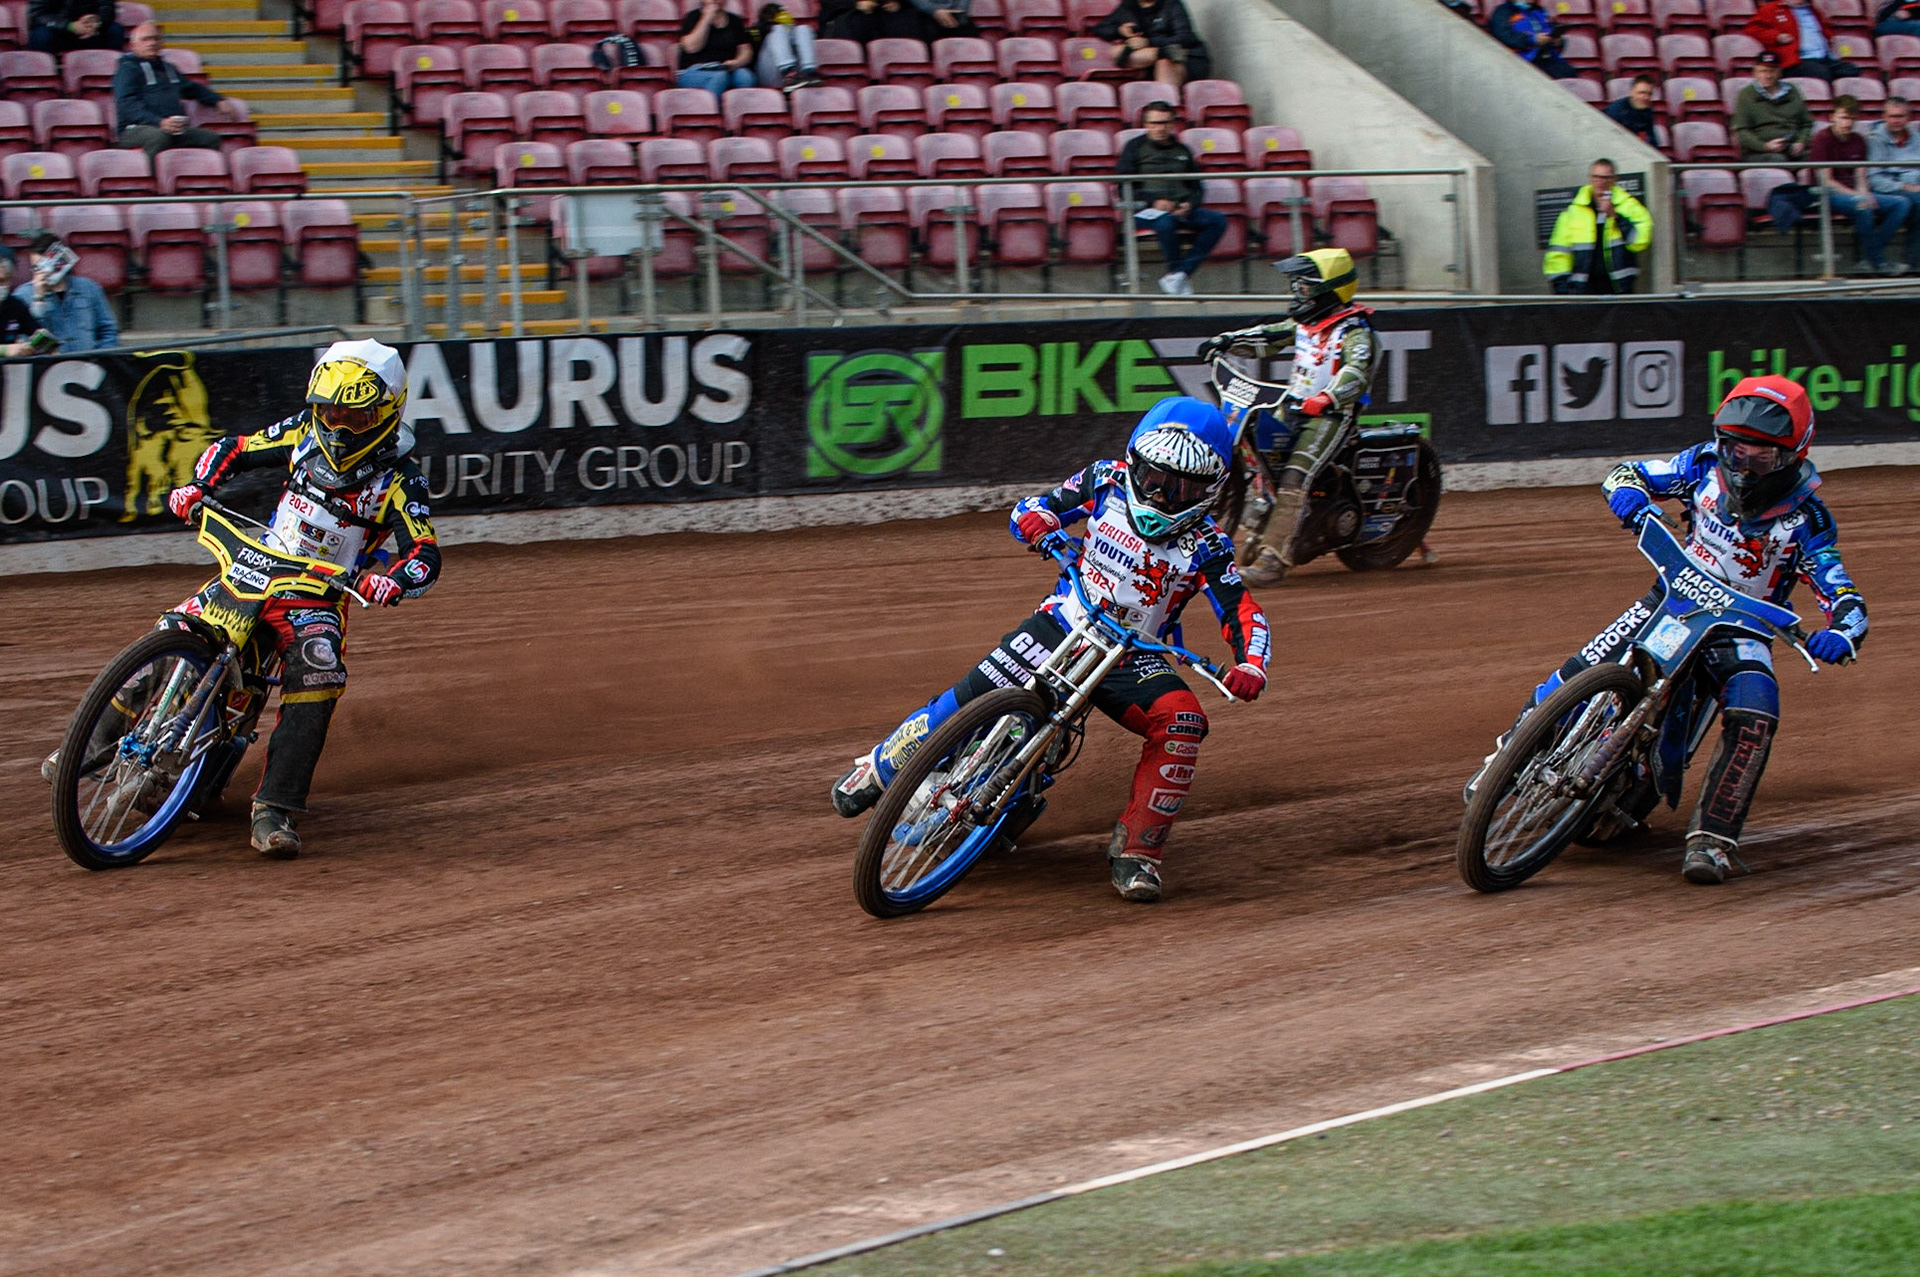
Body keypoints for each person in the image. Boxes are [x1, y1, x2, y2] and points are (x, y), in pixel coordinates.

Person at [829, 396, 1270, 903]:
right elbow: (1031, 506)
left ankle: (1139, 852)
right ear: (1134, 462)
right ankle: (879, 766)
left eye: (1181, 487)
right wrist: (1039, 523)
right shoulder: (1103, 481)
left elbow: (1243, 612)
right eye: (1152, 477)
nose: (1162, 494)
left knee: (1184, 721)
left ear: (1209, 490)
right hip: (1065, 618)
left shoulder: (1210, 546)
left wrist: (1251, 664)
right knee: (972, 692)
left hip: (1133, 653)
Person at [1466, 376, 1867, 886]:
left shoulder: (1807, 518)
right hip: (1672, 597)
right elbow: (1626, 473)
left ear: (1792, 456)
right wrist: (1630, 497)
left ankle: (1713, 841)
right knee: (1580, 669)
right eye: (1733, 450)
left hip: (1741, 627)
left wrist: (1843, 632)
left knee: (1755, 711)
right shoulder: (1700, 465)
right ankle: (1501, 762)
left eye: (1759, 458)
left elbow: (1843, 593)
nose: (1742, 466)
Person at [159, 340, 441, 859]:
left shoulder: (402, 478)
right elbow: (234, 447)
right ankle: (91, 745)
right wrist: (198, 485)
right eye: (330, 412)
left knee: (319, 671)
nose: (338, 427)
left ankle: (274, 808)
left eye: (354, 416)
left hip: (319, 594)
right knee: (175, 631)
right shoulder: (301, 434)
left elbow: (424, 552)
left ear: (386, 412)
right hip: (257, 565)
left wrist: (392, 581)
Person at [1195, 249, 1378, 587]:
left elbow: (1356, 372)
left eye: (1305, 287)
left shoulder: (1355, 332)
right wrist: (1225, 341)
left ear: (1330, 291)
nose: (1298, 294)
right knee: (1259, 458)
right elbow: (1266, 336)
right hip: (1291, 406)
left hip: (1331, 415)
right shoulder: (1305, 324)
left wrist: (1327, 398)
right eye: (1297, 287)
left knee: (1295, 477)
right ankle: (1258, 525)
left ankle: (1273, 561)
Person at [1116, 101, 1226, 296]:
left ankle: (1180, 274)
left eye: (1165, 123)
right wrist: (1154, 202)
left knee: (1217, 220)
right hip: (1145, 211)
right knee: (1165, 222)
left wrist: (1190, 204)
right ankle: (1175, 272)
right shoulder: (1134, 148)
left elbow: (1196, 186)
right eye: (1155, 123)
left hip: (1180, 209)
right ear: (1146, 124)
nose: (1160, 128)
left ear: (1173, 124)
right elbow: (1124, 187)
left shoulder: (1182, 150)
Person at [1813, 96, 1911, 274]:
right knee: (1862, 206)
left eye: (1851, 118)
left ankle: (1868, 259)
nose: (1847, 123)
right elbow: (1826, 180)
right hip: (1829, 194)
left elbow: (1861, 175)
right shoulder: (1822, 138)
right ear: (1832, 117)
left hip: (1853, 192)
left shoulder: (1858, 140)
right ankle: (1880, 263)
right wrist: (1857, 196)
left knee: (1901, 203)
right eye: (1843, 117)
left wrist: (1864, 193)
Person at [113, 23, 241, 158]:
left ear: (162, 43)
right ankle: (150, 177)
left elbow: (190, 88)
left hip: (171, 128)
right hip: (135, 128)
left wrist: (217, 100)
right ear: (133, 45)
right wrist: (159, 122)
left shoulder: (169, 68)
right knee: (158, 138)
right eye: (145, 39)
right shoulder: (127, 70)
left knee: (210, 138)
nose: (152, 43)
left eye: (156, 39)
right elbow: (126, 103)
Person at [1542, 158, 1653, 294]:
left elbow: (1639, 242)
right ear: (1590, 178)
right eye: (1596, 177)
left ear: (1614, 179)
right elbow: (1559, 252)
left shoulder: (1629, 206)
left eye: (1606, 178)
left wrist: (1616, 217)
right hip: (1582, 288)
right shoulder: (1573, 211)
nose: (1601, 182)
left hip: (1619, 286)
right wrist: (1561, 287)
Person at [14, 233, 116, 352]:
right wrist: (38, 298)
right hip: (49, 366)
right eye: (36, 268)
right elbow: (24, 340)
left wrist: (101, 358)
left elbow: (108, 329)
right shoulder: (22, 295)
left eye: (46, 266)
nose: (42, 272)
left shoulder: (89, 288)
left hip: (88, 364)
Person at [1095, 0, 1211, 88]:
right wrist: (1120, 30)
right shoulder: (1128, 5)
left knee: (1164, 63)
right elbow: (1100, 29)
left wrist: (1148, 42)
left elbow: (1185, 38)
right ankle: (1162, 52)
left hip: (1187, 57)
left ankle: (1166, 105)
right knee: (1116, 51)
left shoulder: (1171, 4)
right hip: (1148, 58)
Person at [1745, 0, 1860, 82]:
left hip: (1824, 58)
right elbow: (1752, 29)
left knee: (1851, 70)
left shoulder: (1813, 10)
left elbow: (1824, 30)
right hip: (1797, 61)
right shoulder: (1771, 9)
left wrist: (1828, 38)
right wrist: (1776, 36)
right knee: (1822, 73)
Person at [1731, 51, 1813, 161]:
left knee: (1818, 157)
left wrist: (1801, 141)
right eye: (1763, 71)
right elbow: (1742, 131)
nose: (1768, 76)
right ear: (1755, 72)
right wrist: (1765, 146)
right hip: (1758, 152)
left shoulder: (1792, 90)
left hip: (1790, 147)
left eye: (1772, 71)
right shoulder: (1746, 94)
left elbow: (1806, 124)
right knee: (1778, 159)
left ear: (1780, 72)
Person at [1867, 95, 1920, 262]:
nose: (1896, 120)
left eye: (1900, 116)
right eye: (1891, 116)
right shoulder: (1875, 140)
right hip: (1888, 189)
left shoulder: (1917, 138)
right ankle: (1911, 261)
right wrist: (1904, 186)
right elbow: (1874, 179)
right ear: (1884, 117)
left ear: (1909, 118)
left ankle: (1911, 261)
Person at [677, 0, 756, 96]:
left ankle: (739, 108)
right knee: (719, 77)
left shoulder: (735, 20)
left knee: (745, 76)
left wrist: (737, 62)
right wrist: (706, 19)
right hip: (695, 71)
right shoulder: (692, 17)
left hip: (726, 68)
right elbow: (691, 47)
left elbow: (746, 50)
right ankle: (710, 109)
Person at [1487, 0, 1580, 80]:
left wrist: (1557, 41)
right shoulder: (1502, 12)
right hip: (1519, 61)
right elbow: (1504, 36)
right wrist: (1531, 40)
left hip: (1544, 58)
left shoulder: (1538, 11)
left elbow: (1549, 30)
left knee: (1567, 72)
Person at [748, 3, 820, 89]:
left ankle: (809, 71)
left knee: (803, 29)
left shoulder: (794, 31)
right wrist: (769, 25)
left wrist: (789, 28)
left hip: (798, 75)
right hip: (768, 74)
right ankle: (788, 72)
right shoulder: (760, 29)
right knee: (777, 29)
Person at [27, 0, 125, 55]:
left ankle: (111, 73)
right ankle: (49, 77)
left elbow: (107, 8)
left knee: (115, 30)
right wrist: (70, 26)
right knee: (40, 35)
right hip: (59, 33)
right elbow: (37, 15)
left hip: (91, 31)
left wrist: (97, 21)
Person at [0, 247, 48, 357]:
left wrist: (47, 344)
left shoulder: (15, 306)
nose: (2, 286)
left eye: (6, 280)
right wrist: (4, 350)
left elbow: (37, 333)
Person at [818, 0, 925, 43]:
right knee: (855, 21)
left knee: (910, 19)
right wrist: (856, 4)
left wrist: (898, 3)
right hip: (847, 13)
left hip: (883, 12)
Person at [1605, 74, 1664, 149]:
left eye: (1649, 94)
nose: (1645, 97)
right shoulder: (1616, 109)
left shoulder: (1647, 110)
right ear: (1631, 92)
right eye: (1641, 93)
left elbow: (1651, 138)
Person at [907, 0, 978, 42]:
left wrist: (956, 11)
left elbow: (963, 4)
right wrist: (934, 10)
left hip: (954, 13)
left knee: (966, 30)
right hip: (923, 14)